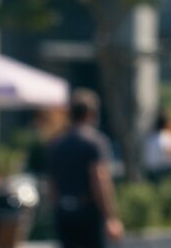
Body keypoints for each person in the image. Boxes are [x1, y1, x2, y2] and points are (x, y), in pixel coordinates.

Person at [47, 90, 123, 248]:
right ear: (91, 113)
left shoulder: (56, 144)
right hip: (88, 212)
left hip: (63, 211)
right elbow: (100, 179)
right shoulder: (95, 142)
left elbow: (51, 183)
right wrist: (110, 217)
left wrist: (56, 209)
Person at [142, 113, 171, 181]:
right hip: (161, 170)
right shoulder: (167, 136)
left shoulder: (151, 136)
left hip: (148, 169)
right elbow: (170, 154)